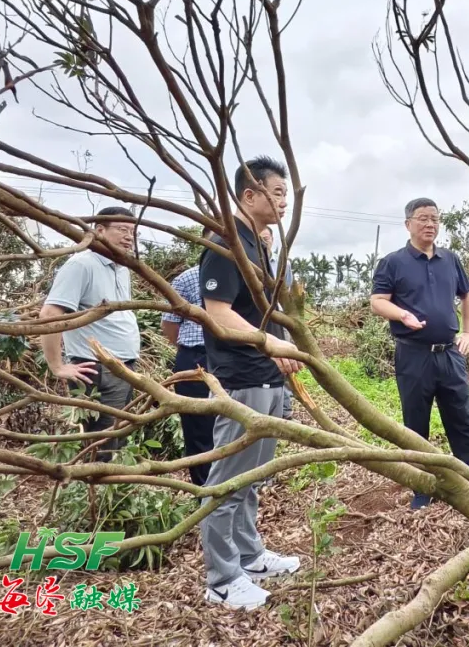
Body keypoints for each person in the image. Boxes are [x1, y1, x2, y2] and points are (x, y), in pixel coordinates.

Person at [199, 157, 303, 611]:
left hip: (265, 374)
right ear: (249, 195)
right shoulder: (226, 242)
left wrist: (279, 348)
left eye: (285, 194)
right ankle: (221, 579)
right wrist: (270, 345)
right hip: (240, 378)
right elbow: (218, 312)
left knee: (252, 478)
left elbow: (268, 309)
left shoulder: (259, 245)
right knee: (227, 483)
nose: (284, 202)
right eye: (277, 193)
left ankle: (249, 555)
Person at [370, 197, 469, 509]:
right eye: (423, 218)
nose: (430, 224)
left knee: (462, 417)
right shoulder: (393, 262)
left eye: (434, 218)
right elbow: (378, 301)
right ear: (408, 223)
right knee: (416, 422)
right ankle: (422, 488)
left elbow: (468, 295)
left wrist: (467, 331)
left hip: (449, 354)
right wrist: (402, 315)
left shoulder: (450, 259)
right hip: (413, 355)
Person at [40, 206, 140, 460]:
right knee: (102, 441)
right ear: (99, 231)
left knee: (118, 435)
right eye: (121, 230)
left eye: (132, 231)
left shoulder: (121, 267)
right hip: (97, 370)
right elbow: (51, 314)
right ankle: (93, 492)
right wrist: (57, 365)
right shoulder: (82, 264)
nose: (129, 236)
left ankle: (111, 492)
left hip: (123, 366)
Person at [160, 227, 213, 487]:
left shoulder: (245, 277)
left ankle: (231, 485)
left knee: (229, 423)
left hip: (232, 360)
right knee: (198, 427)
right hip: (195, 360)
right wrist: (187, 350)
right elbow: (170, 324)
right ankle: (204, 489)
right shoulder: (187, 279)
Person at [260, 225, 295, 421]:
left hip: (279, 319)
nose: (265, 242)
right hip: (260, 319)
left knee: (286, 360)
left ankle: (285, 408)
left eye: (268, 239)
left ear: (273, 240)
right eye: (261, 239)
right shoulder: (249, 259)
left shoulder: (283, 264)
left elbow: (286, 292)